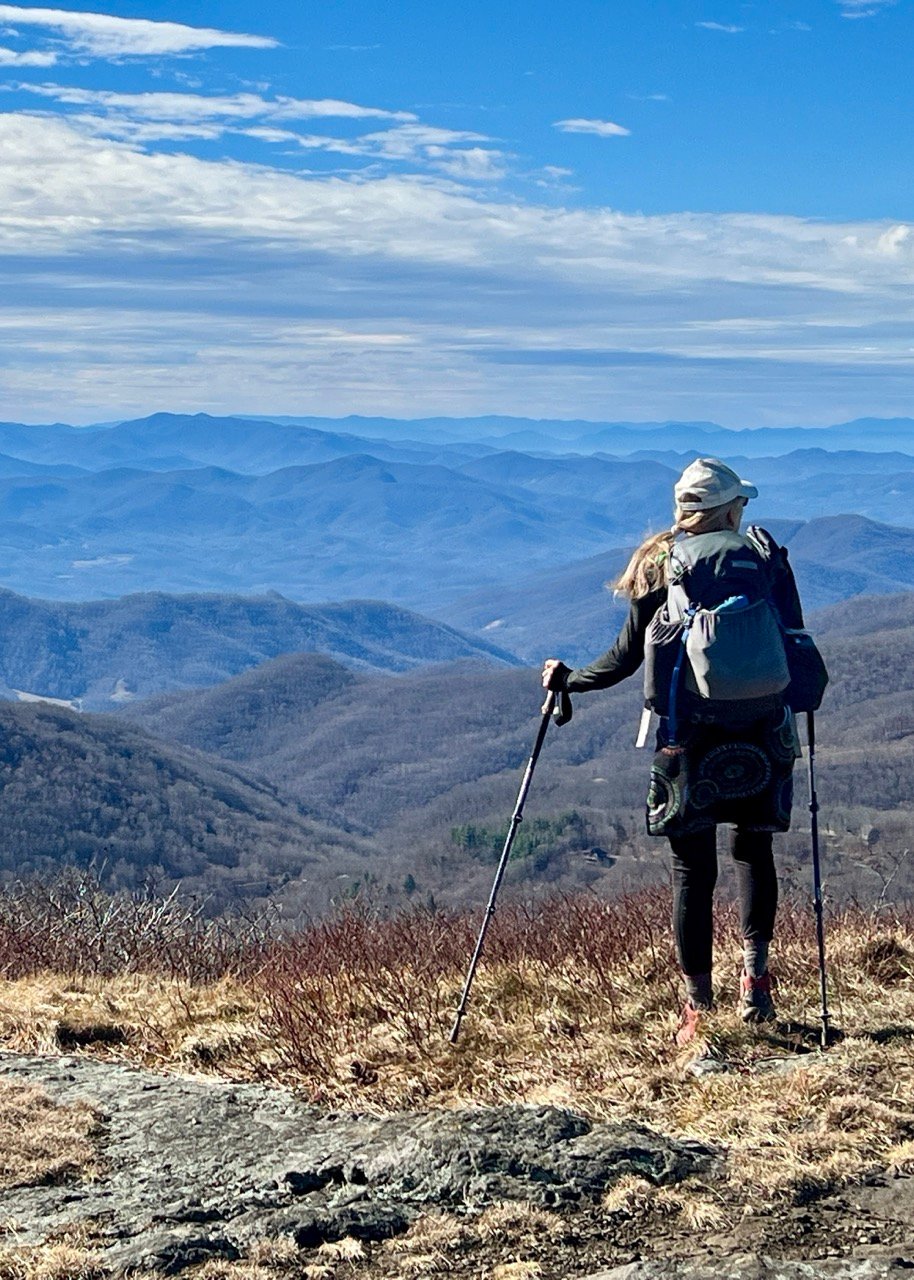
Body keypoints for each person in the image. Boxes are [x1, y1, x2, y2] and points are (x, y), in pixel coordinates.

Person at [541, 457, 806, 1046]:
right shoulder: (763, 558)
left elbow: (624, 660)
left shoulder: (660, 564)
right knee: (753, 852)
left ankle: (696, 1009)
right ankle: (756, 984)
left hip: (688, 735)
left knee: (693, 870)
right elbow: (794, 639)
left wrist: (568, 679)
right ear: (731, 509)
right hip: (762, 728)